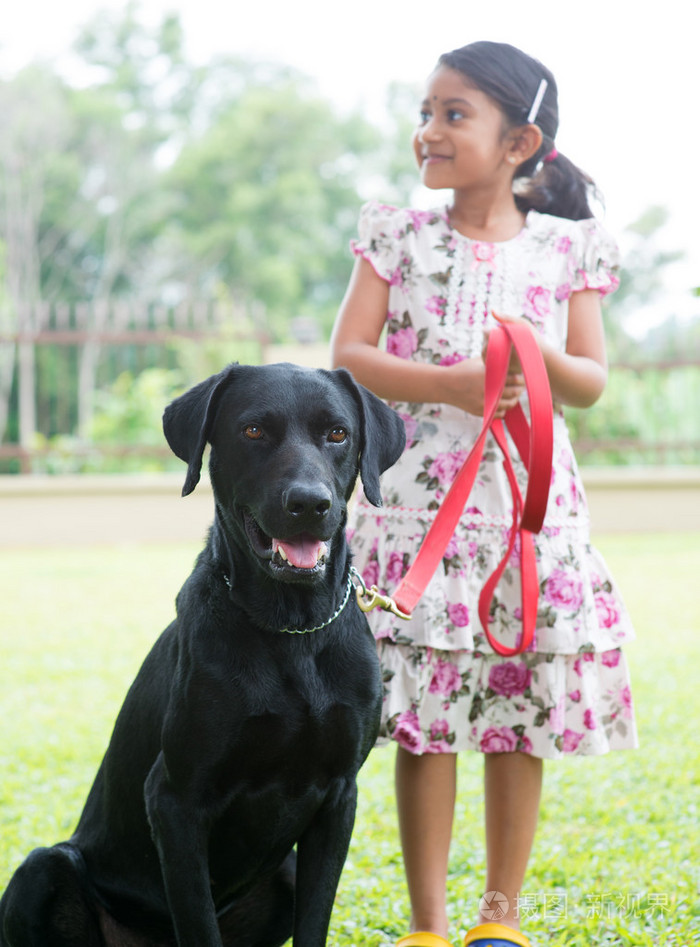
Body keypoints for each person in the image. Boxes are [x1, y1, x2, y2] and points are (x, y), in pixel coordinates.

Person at [331, 40, 637, 947]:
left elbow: (588, 379)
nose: (427, 130)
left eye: (452, 114)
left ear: (520, 140)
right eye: (425, 111)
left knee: (519, 709)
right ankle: (430, 925)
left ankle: (497, 920)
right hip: (421, 501)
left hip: (529, 509)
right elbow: (349, 354)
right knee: (426, 718)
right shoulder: (398, 236)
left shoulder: (568, 249)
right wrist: (454, 386)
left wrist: (532, 352)